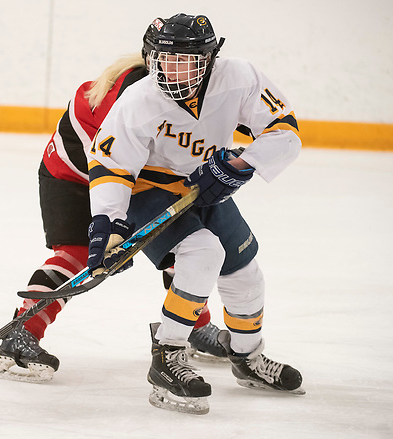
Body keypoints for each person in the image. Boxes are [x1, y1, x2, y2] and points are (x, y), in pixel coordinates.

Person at [85, 13, 304, 414]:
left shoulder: (239, 78)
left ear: (210, 60)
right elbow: (111, 164)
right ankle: (167, 356)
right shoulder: (138, 100)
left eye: (188, 61)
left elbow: (284, 131)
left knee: (246, 275)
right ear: (151, 57)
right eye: (167, 60)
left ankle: (247, 358)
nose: (175, 70)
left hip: (203, 185)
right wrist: (107, 225)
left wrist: (239, 167)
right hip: (147, 190)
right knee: (203, 255)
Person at [0, 51, 231, 383]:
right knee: (76, 252)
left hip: (116, 174)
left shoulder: (160, 83)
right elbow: (115, 162)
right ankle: (21, 333)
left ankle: (193, 326)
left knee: (179, 243)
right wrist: (115, 229)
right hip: (71, 175)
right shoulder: (136, 91)